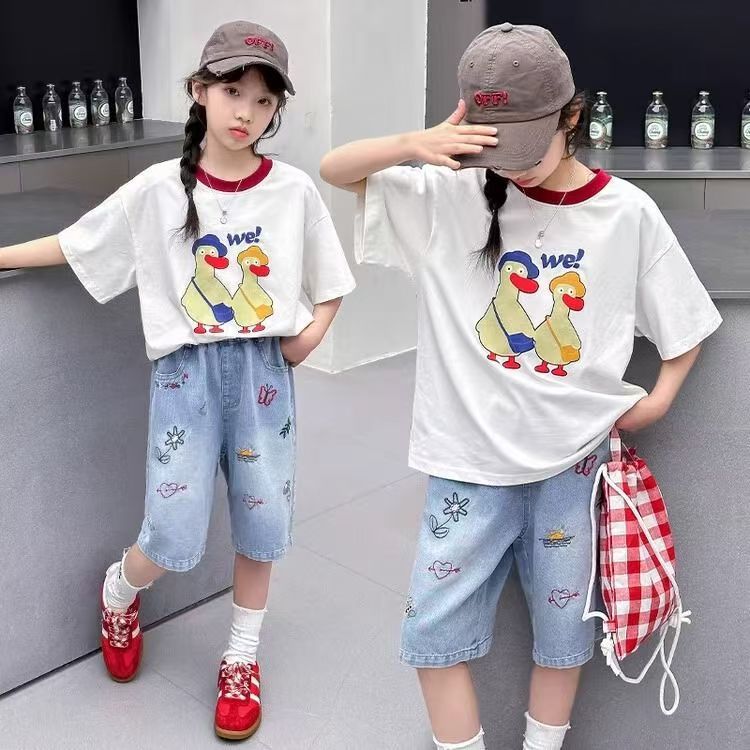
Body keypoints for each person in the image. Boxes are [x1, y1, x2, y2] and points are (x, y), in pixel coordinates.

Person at [320, 22, 721, 750]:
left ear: (573, 116)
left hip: (572, 466)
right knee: (431, 634)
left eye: (526, 149)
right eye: (497, 149)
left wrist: (659, 398)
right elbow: (334, 167)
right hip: (465, 465)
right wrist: (416, 143)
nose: (515, 170)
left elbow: (686, 322)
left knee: (562, 636)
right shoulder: (450, 198)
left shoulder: (625, 213)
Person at [0, 20, 355, 742]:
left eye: (263, 100)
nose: (246, 112)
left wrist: (309, 336)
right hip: (185, 376)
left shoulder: (292, 191)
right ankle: (118, 590)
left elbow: (332, 282)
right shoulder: (158, 191)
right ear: (199, 91)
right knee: (170, 529)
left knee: (262, 523)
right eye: (232, 92)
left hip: (262, 375)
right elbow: (78, 243)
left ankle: (241, 658)